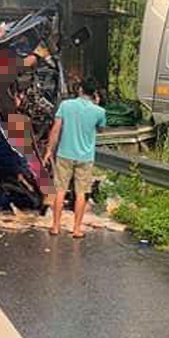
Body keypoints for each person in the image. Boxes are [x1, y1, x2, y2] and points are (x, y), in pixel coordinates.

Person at [43, 77, 106, 237]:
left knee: (60, 190)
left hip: (64, 154)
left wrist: (49, 150)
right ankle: (76, 229)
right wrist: (97, 105)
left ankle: (56, 227)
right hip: (85, 157)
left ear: (80, 90)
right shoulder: (99, 112)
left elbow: (56, 130)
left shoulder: (66, 105)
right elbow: (101, 130)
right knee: (81, 193)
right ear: (95, 94)